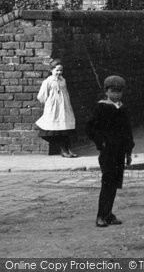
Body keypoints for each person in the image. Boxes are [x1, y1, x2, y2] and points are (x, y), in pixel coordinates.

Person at [85, 75, 135, 228]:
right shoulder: (101, 107)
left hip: (120, 151)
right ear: (106, 92)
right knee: (107, 183)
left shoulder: (122, 108)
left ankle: (109, 214)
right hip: (108, 152)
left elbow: (128, 131)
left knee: (114, 183)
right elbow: (90, 128)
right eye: (113, 91)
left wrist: (128, 151)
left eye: (119, 92)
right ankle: (100, 215)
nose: (116, 95)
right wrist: (102, 143)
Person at [35, 59, 77, 158]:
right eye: (57, 70)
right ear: (51, 70)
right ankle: (63, 150)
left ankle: (68, 149)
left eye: (61, 71)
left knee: (65, 128)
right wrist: (50, 103)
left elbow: (66, 93)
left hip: (64, 106)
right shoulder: (48, 81)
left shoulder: (63, 80)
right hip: (53, 107)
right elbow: (41, 96)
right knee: (55, 129)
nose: (59, 72)